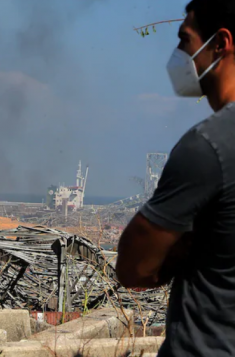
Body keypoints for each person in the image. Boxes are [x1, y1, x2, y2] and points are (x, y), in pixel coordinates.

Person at [116, 0, 235, 356]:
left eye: (185, 38)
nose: (180, 52)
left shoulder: (209, 146)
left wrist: (181, 249)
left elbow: (134, 267)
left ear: (220, 43)